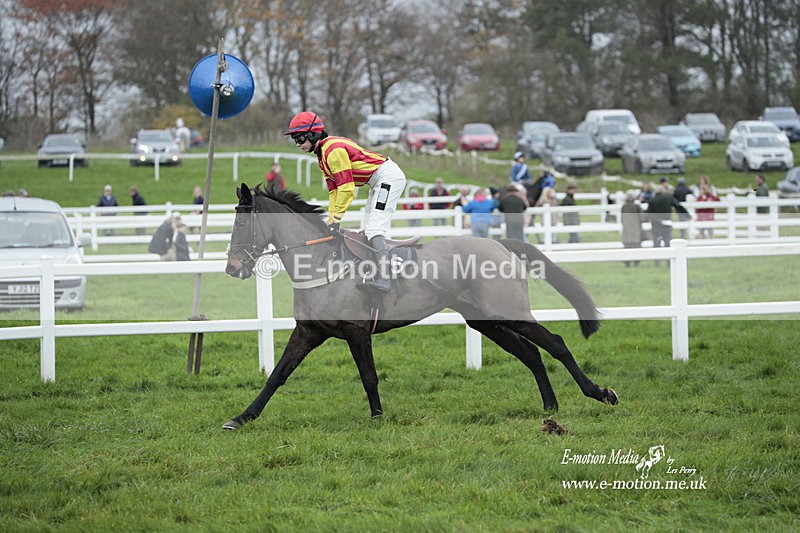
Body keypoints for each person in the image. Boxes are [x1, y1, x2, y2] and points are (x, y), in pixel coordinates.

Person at [284, 111, 406, 292]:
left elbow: (347, 189)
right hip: (377, 181)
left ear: (313, 134)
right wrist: (331, 219)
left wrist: (336, 219)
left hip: (388, 177)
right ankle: (373, 271)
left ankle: (385, 278)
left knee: (374, 229)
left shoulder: (333, 151)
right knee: (366, 229)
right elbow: (334, 192)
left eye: (300, 139)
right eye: (295, 139)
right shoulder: (322, 157)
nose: (298, 144)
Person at [647, 184, 690, 260]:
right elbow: (678, 206)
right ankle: (668, 260)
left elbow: (649, 214)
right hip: (667, 225)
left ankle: (657, 261)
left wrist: (659, 220)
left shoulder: (652, 200)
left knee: (657, 243)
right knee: (668, 243)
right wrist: (687, 215)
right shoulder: (669, 198)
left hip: (656, 225)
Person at [620, 191, 645, 267]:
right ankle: (636, 263)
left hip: (626, 229)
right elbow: (643, 218)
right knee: (636, 246)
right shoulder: (636, 207)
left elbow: (622, 219)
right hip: (636, 229)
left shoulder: (623, 207)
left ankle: (627, 263)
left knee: (627, 246)